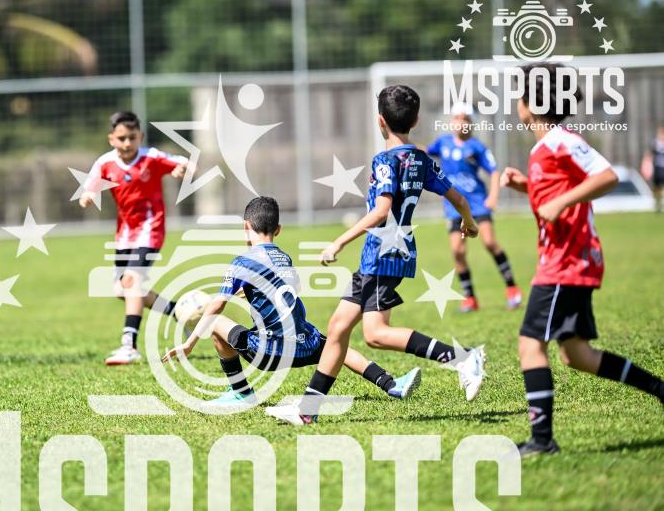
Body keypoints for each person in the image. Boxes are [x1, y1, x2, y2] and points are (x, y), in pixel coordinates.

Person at [266, 85, 485, 426]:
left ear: (380, 121)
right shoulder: (421, 159)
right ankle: (307, 411)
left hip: (383, 254)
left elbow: (381, 209)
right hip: (388, 254)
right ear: (415, 120)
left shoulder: (385, 161)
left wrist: (338, 242)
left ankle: (462, 358)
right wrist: (469, 222)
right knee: (338, 328)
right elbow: (458, 198)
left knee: (376, 334)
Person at [500, 62, 664, 457]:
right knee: (576, 355)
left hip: (565, 262)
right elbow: (556, 191)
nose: (517, 102)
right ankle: (659, 389)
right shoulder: (543, 148)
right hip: (566, 260)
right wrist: (526, 186)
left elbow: (606, 176)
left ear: (531, 103)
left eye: (520, 94)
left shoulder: (561, 141)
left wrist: (560, 202)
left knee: (529, 344)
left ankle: (542, 441)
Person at [161, 196, 423, 405]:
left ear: (245, 227)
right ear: (278, 229)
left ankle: (241, 392)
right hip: (303, 346)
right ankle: (390, 384)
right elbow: (288, 288)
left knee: (216, 321)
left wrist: (189, 343)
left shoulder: (243, 262)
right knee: (338, 344)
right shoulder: (284, 258)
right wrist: (252, 291)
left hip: (268, 352)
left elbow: (217, 305)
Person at [80, 111, 188, 365]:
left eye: (132, 137)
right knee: (122, 290)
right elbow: (90, 186)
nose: (127, 143)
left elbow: (183, 161)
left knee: (131, 282)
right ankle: (179, 312)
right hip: (125, 234)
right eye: (121, 138)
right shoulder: (105, 162)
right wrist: (88, 195)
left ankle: (129, 345)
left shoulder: (151, 157)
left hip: (151, 229)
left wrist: (182, 169)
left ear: (141, 136)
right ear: (111, 139)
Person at [427, 105, 522, 311]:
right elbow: (424, 152)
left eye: (465, 119)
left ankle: (512, 288)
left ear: (471, 123)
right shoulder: (442, 143)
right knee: (457, 251)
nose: (460, 122)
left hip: (478, 204)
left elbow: (494, 171)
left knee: (489, 242)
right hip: (454, 206)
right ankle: (470, 297)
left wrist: (493, 197)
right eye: (457, 118)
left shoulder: (477, 147)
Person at [640, 125, 664, 212]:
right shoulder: (655, 143)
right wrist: (646, 166)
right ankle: (658, 203)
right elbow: (649, 154)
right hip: (657, 168)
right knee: (657, 187)